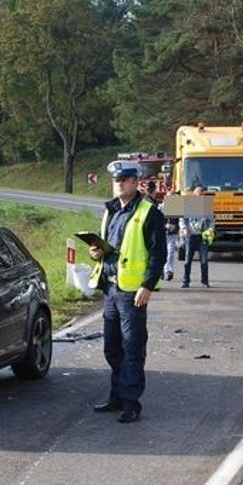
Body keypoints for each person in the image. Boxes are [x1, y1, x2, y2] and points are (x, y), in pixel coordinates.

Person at [87, 160, 167, 423]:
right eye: (116, 181)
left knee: (132, 347)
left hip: (133, 292)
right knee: (112, 348)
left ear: (135, 183)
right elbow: (111, 249)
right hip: (110, 287)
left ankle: (131, 403)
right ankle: (117, 396)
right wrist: (97, 252)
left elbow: (158, 254)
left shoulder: (149, 212)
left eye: (124, 180)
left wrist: (147, 286)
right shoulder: (111, 211)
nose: (119, 184)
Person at [179, 187, 213, 289]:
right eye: (198, 195)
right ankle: (185, 281)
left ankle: (205, 281)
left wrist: (210, 229)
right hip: (190, 237)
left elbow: (212, 221)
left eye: (202, 195)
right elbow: (182, 220)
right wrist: (184, 229)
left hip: (202, 237)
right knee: (187, 260)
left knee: (204, 261)